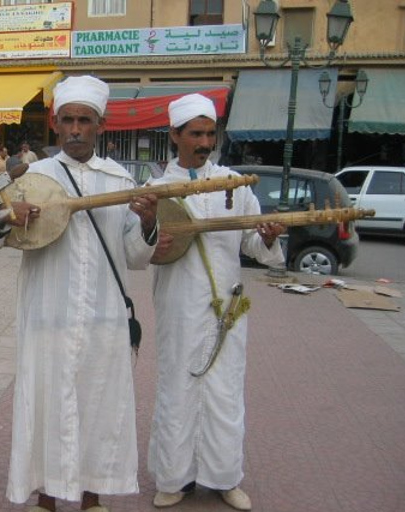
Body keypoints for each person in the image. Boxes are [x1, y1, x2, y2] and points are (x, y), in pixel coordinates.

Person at [0, 75, 159, 512]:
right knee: (47, 405)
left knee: (98, 405)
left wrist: (149, 223)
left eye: (85, 121)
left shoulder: (119, 180)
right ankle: (47, 499)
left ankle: (92, 498)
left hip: (103, 319)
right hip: (46, 314)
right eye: (68, 120)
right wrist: (6, 218)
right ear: (56, 126)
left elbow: (135, 256)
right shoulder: (29, 176)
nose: (76, 129)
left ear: (100, 126)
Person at [146, 94, 286, 511]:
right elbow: (136, 250)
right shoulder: (154, 191)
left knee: (225, 393)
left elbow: (256, 248)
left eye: (210, 133)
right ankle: (174, 478)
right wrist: (151, 238)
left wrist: (269, 237)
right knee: (178, 387)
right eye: (196, 134)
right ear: (175, 135)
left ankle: (225, 477)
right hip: (178, 307)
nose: (205, 142)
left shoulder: (236, 184)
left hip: (227, 307)